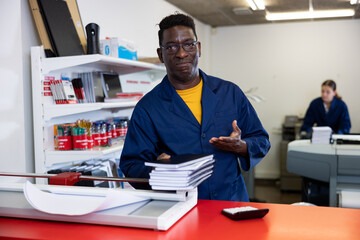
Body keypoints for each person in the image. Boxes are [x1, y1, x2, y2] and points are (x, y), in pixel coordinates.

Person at [120, 13, 270, 201]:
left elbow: (261, 140)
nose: (181, 53)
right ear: (161, 54)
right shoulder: (147, 108)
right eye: (172, 46)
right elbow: (131, 164)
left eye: (189, 44)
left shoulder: (230, 93)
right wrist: (159, 169)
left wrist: (241, 146)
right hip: (178, 208)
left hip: (231, 202)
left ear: (198, 48)